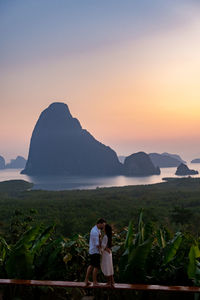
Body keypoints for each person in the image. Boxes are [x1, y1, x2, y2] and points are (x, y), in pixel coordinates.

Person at [84, 218, 106, 286]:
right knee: (96, 266)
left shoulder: (97, 230)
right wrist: (101, 250)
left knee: (91, 265)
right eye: (103, 225)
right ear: (99, 224)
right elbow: (97, 244)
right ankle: (95, 282)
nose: (103, 227)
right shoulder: (95, 232)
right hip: (95, 251)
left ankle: (86, 280)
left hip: (93, 250)